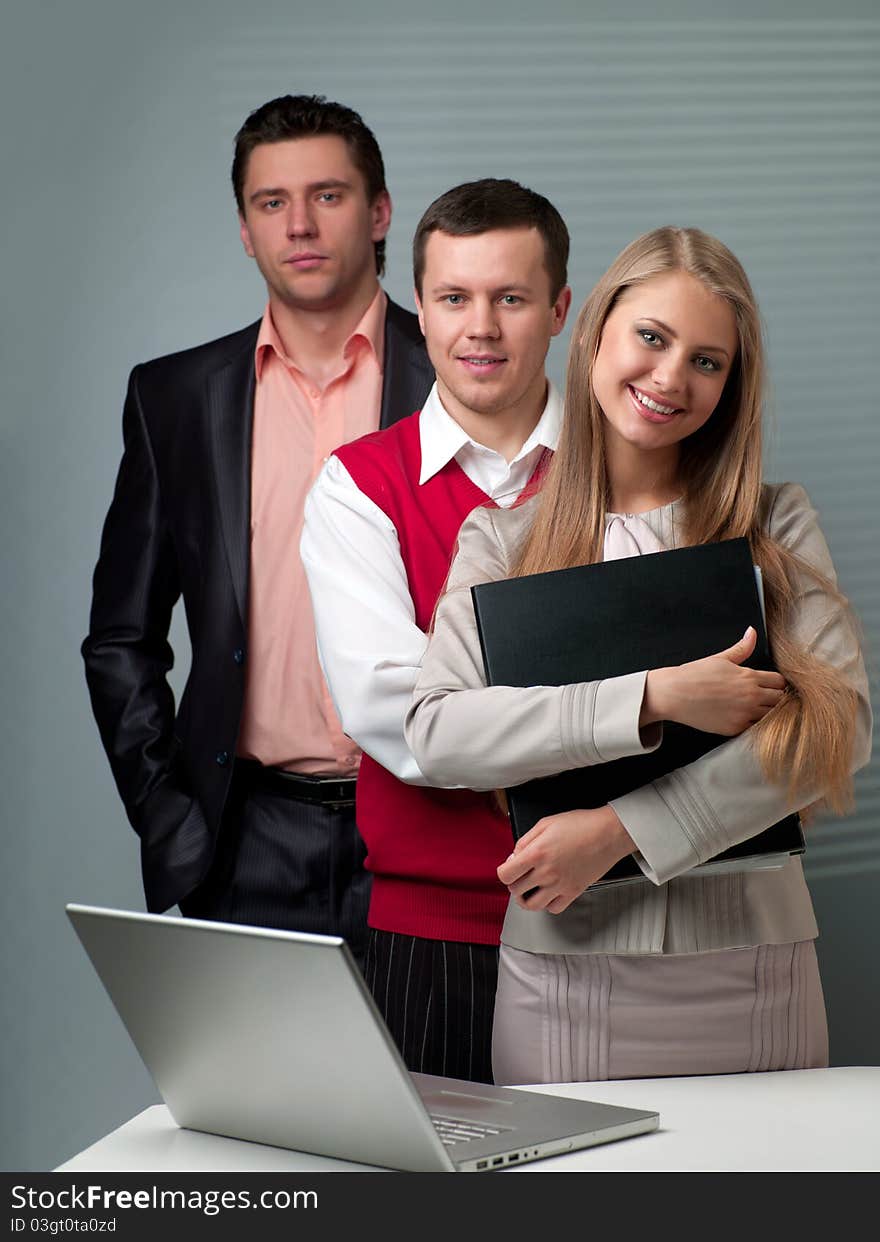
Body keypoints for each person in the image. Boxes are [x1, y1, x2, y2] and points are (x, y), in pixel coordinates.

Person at [405, 226, 872, 1084]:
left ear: (732, 388)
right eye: (651, 338)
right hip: (562, 971)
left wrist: (619, 832)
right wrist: (650, 699)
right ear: (593, 333)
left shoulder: (777, 525)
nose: (669, 378)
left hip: (755, 966)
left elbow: (837, 732)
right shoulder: (501, 540)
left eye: (707, 361)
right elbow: (437, 733)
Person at [82, 95, 432, 965]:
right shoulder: (175, 399)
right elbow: (120, 638)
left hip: (431, 824)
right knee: (266, 1105)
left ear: (381, 211)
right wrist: (170, 814)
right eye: (271, 203)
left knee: (445, 1096)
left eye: (329, 195)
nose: (300, 224)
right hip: (245, 838)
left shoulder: (456, 379)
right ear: (245, 228)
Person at [301, 179, 571, 1081]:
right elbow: (401, 714)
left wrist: (491, 724)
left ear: (561, 309)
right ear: (422, 309)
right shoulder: (357, 487)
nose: (481, 327)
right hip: (436, 931)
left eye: (511, 298)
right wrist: (609, 723)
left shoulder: (635, 470)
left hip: (626, 920)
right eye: (455, 298)